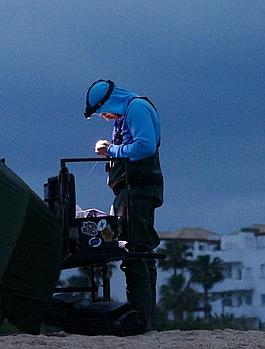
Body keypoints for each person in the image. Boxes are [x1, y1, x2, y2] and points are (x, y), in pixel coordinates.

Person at [84, 79, 164, 325]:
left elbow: (144, 146)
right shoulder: (126, 113)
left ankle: (140, 320)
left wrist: (112, 151)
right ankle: (143, 318)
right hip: (130, 191)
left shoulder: (136, 108)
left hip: (138, 190)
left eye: (103, 112)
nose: (105, 117)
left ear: (110, 102)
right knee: (139, 250)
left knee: (135, 250)